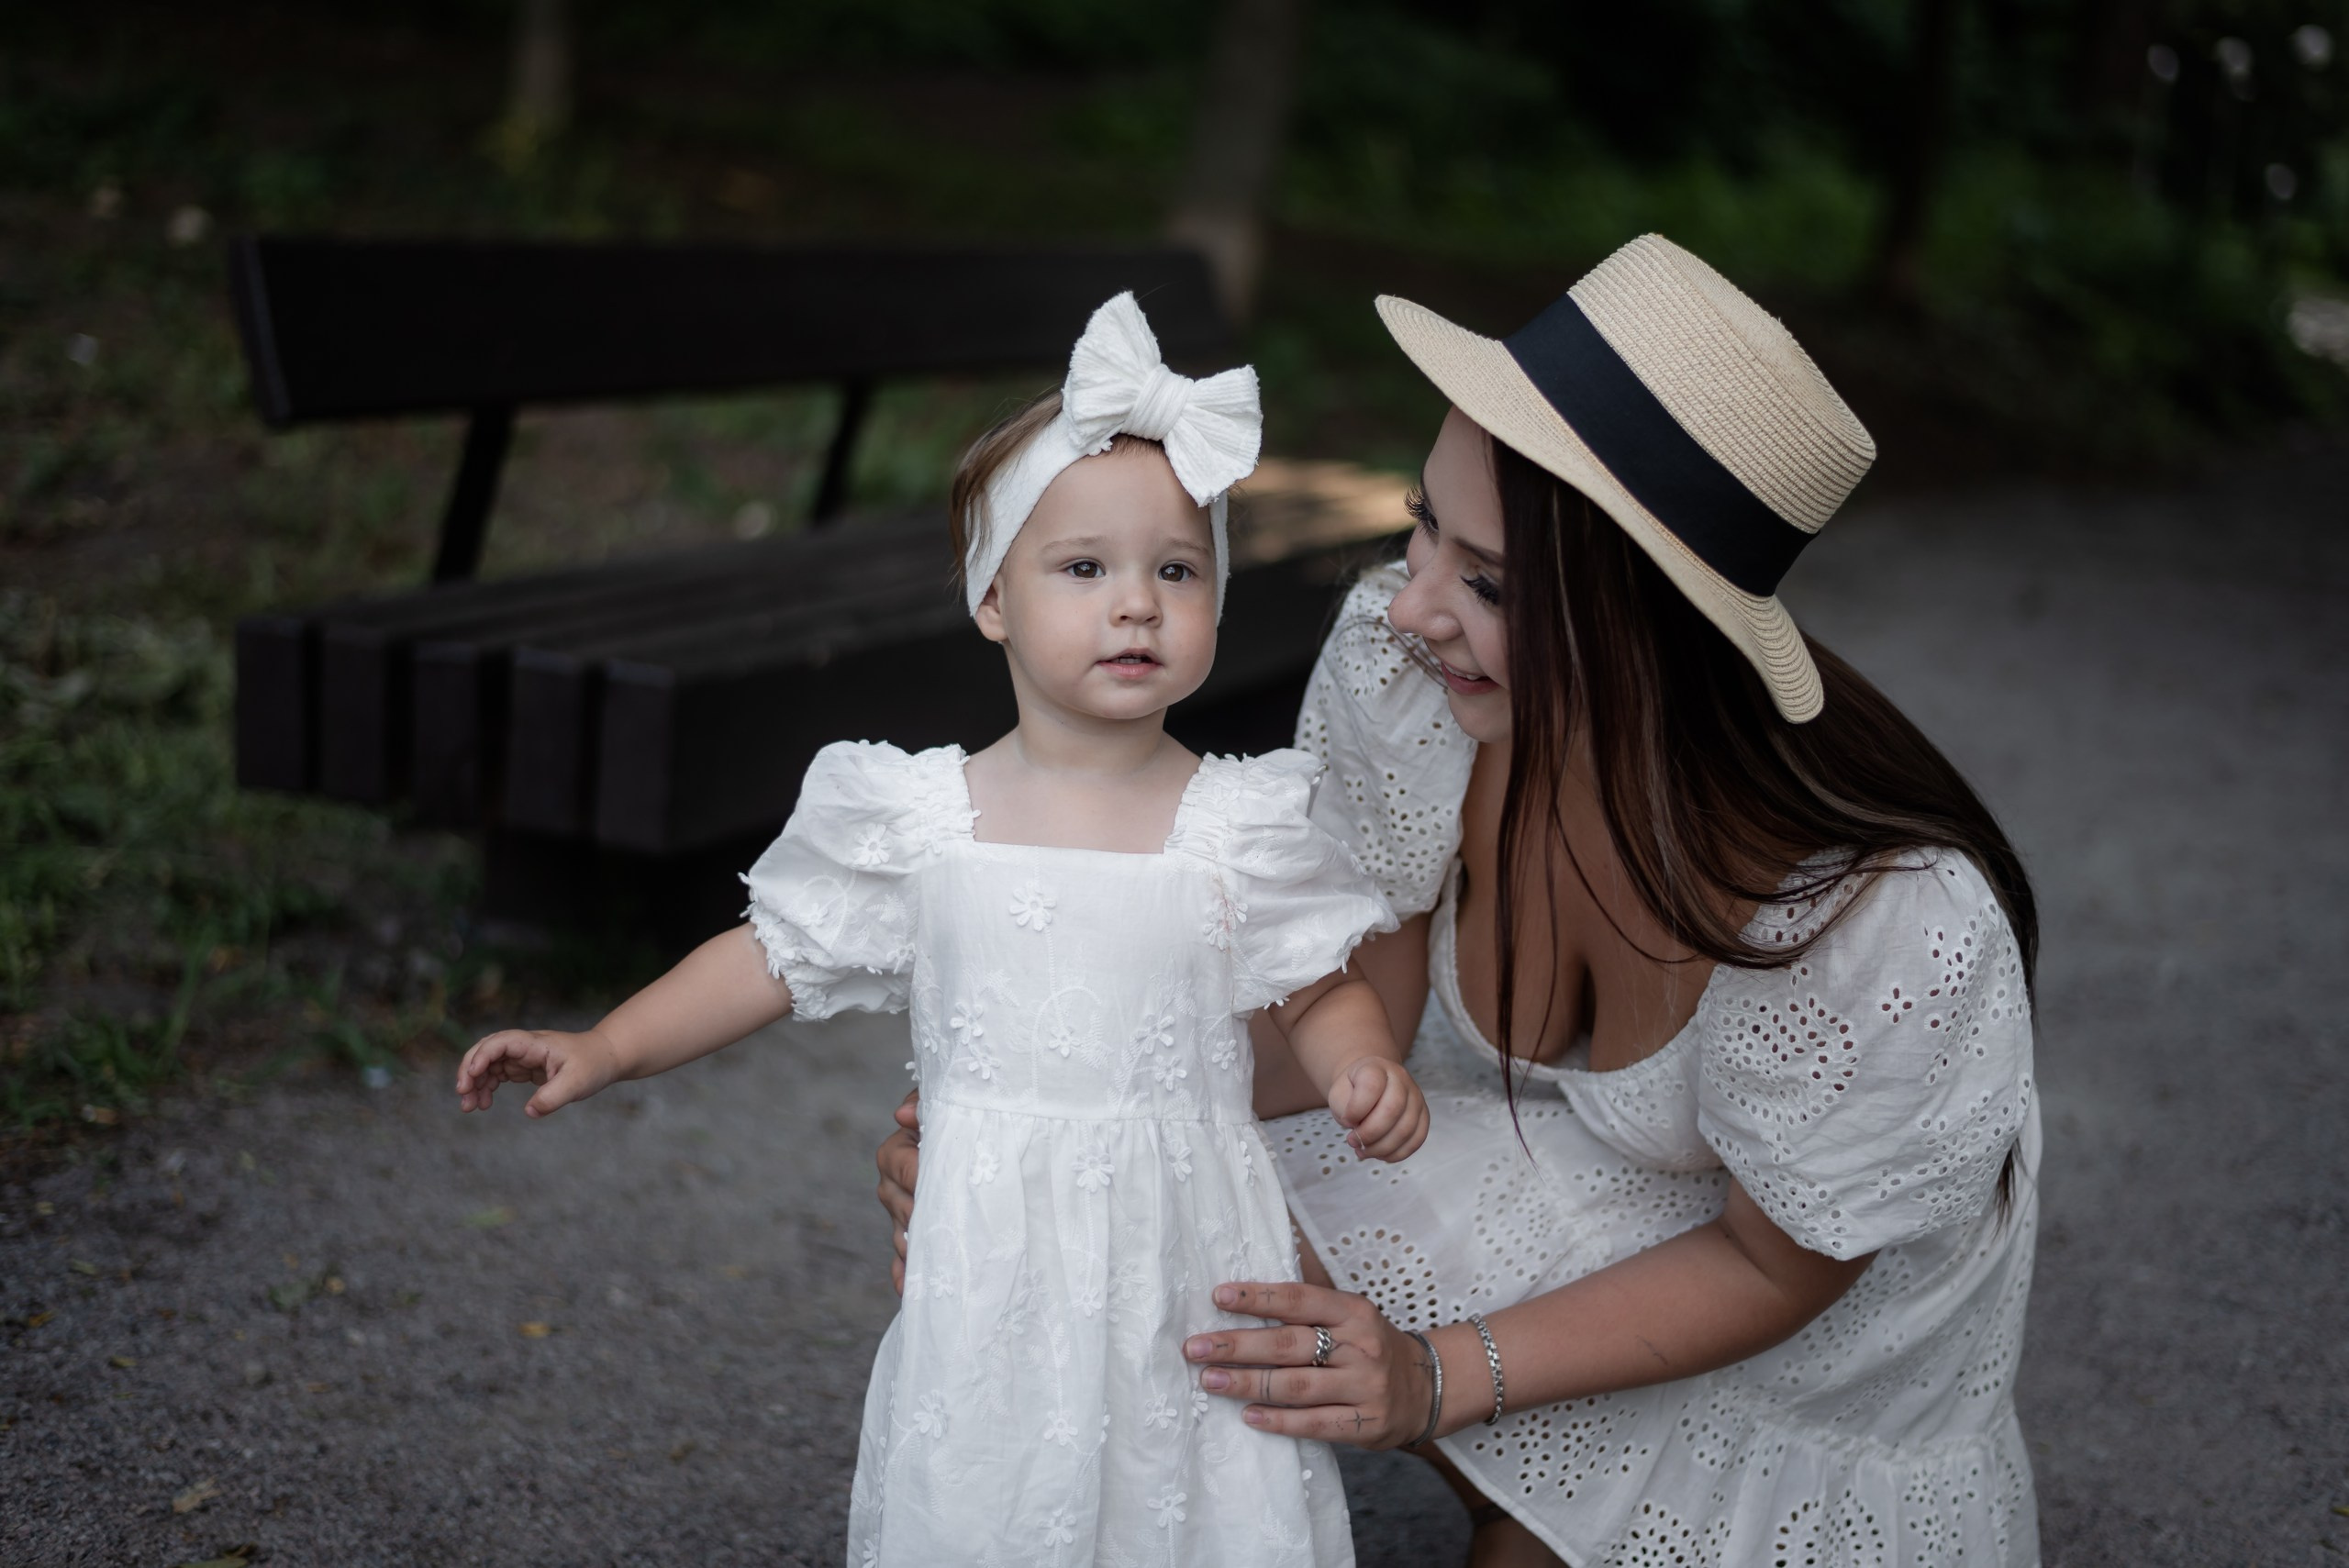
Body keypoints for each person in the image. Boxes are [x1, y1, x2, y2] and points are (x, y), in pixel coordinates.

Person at [877, 237, 2043, 1566]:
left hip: (1807, 1350)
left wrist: (1433, 1373)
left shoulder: (1884, 923)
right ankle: (1508, 1474)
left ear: (1649, 623)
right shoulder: (1413, 680)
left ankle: (1541, 1480)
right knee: (1149, 1183)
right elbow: (1349, 1017)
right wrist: (1020, 1122)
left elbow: (1776, 1267)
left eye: (1486, 582)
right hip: (1580, 1191)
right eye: (1423, 523)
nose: (1413, 606)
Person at [455, 293, 1431, 1567]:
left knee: (1184, 1494)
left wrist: (1364, 1060)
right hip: (997, 1270)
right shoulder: (924, 820)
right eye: (1083, 568)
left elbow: (1315, 983)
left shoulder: (1235, 819)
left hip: (1182, 1264)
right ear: (994, 602)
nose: (1134, 603)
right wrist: (612, 1043)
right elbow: (770, 952)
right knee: (993, 1496)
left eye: (1175, 570)